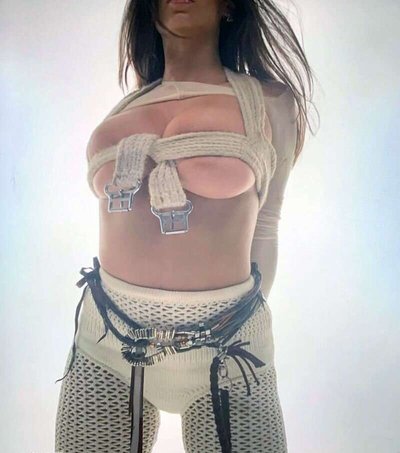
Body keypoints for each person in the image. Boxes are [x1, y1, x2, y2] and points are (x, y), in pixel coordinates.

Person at [54, 1, 317, 452]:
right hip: (106, 345)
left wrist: (243, 322)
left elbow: (267, 224)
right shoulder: (124, 109)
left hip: (228, 350)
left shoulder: (272, 101)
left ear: (229, 5)